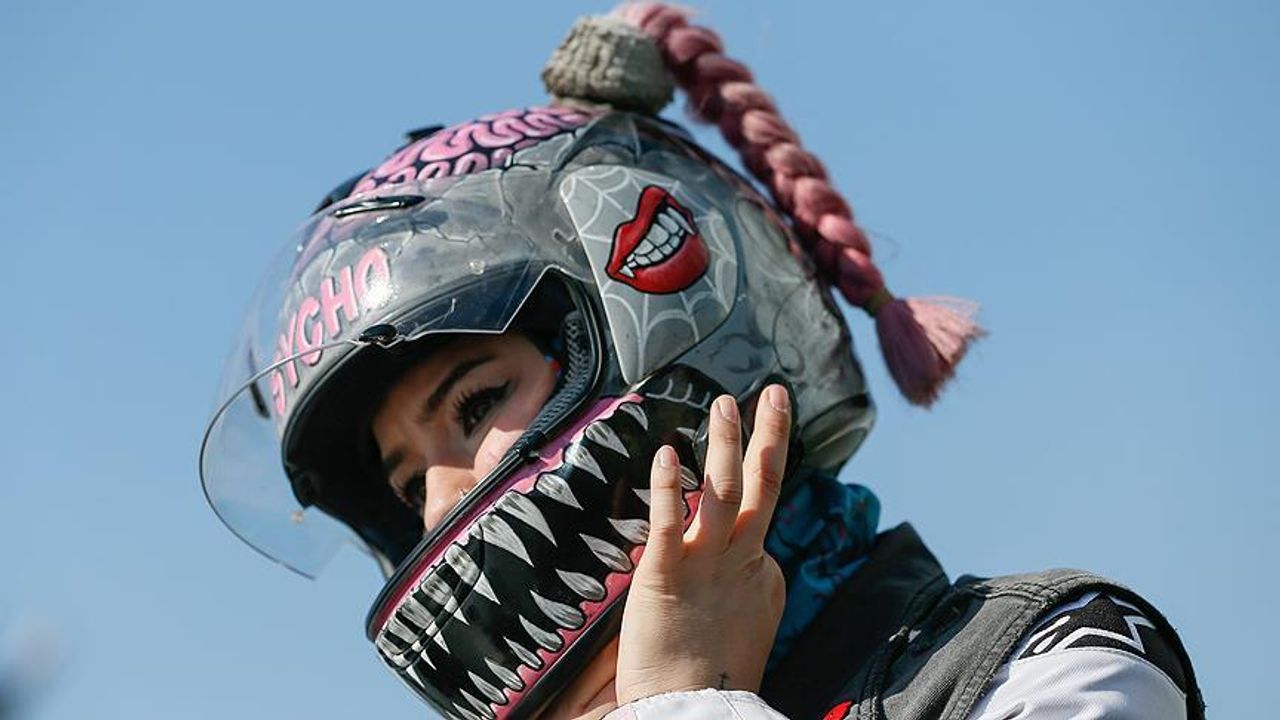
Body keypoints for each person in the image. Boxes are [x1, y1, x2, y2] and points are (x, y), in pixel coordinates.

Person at [200, 5, 1205, 719]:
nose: (440, 503)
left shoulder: (1044, 664)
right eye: (405, 484)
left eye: (476, 403)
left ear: (672, 322)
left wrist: (688, 700)